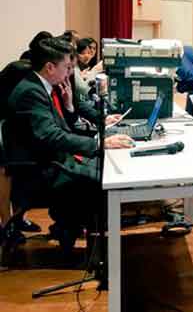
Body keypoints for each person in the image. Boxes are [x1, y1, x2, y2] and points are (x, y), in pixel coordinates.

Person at [6, 38, 133, 251]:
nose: (69, 72)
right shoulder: (32, 92)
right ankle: (90, 244)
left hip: (51, 161)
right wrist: (99, 145)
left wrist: (95, 142)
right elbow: (51, 136)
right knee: (101, 180)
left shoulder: (39, 86)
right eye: (66, 67)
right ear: (49, 67)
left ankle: (71, 228)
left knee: (102, 171)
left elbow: (58, 131)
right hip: (40, 170)